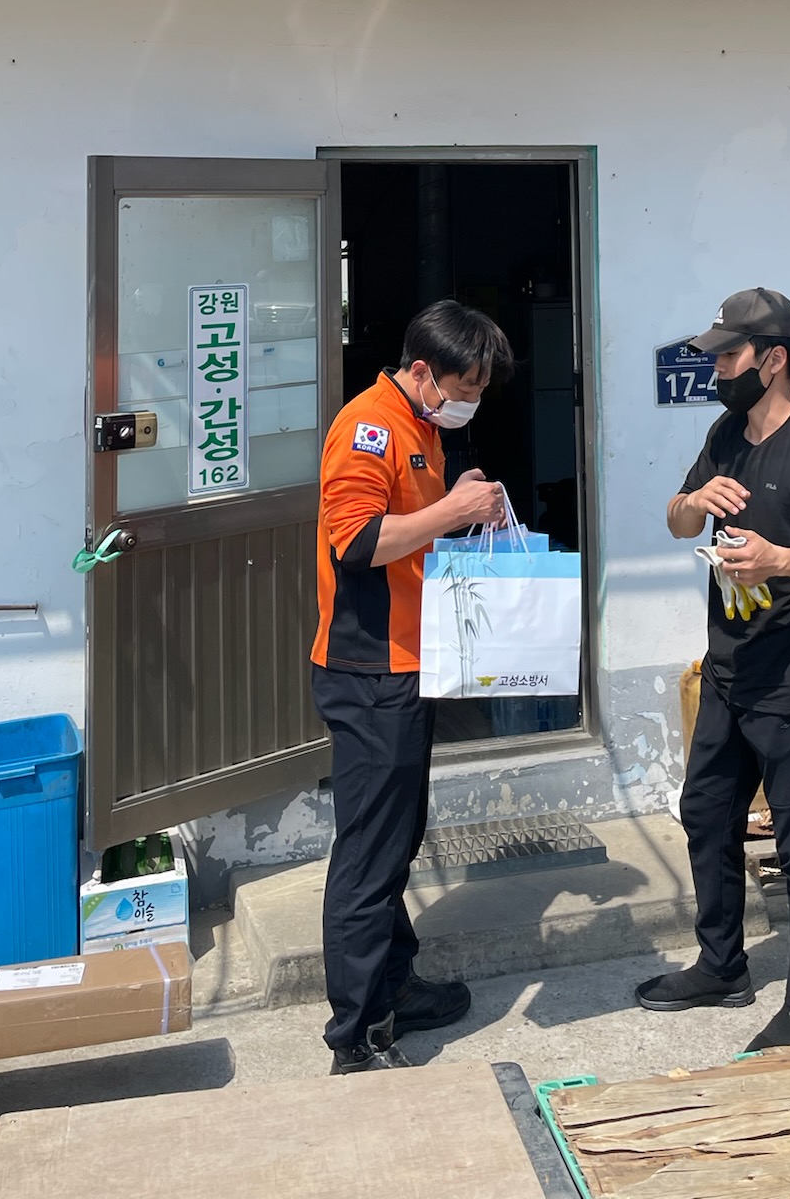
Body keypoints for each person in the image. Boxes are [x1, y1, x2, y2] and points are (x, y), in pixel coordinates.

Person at [637, 288, 790, 1047]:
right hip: (728, 673)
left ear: (773, 360)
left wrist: (780, 559)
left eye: (729, 355)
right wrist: (693, 500)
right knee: (706, 815)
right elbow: (677, 521)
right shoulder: (725, 435)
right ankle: (721, 966)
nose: (717, 369)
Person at [311, 297, 513, 1075]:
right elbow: (356, 540)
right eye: (465, 388)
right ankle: (357, 1034)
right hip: (369, 669)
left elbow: (412, 531)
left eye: (481, 392)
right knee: (369, 854)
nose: (471, 403)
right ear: (423, 371)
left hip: (407, 660)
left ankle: (396, 984)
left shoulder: (421, 425)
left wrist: (465, 510)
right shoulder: (368, 426)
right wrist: (454, 508)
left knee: (394, 838)